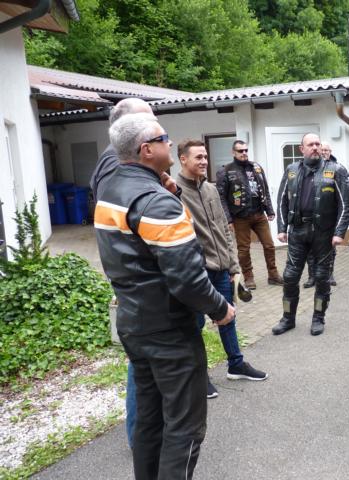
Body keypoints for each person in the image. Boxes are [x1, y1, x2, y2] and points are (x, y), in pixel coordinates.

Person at [94, 113, 235, 479]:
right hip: (169, 332)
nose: (169, 143)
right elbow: (188, 280)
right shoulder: (157, 203)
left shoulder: (110, 192)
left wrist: (169, 191)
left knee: (150, 419)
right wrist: (220, 308)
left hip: (134, 324)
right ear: (146, 150)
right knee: (185, 427)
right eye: (163, 138)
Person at [89, 98, 178, 451]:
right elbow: (126, 222)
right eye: (149, 121)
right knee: (142, 369)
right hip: (142, 285)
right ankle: (143, 441)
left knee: (145, 367)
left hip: (140, 282)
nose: (157, 129)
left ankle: (148, 438)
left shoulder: (123, 164)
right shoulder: (116, 163)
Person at [176, 139, 268, 397]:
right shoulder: (174, 192)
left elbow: (226, 231)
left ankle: (236, 365)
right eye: (198, 157)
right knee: (195, 325)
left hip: (221, 269)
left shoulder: (211, 189)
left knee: (228, 317)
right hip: (198, 272)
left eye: (205, 156)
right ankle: (199, 376)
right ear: (183, 159)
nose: (204, 161)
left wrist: (234, 266)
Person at [271, 133, 349, 336]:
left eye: (317, 144)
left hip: (324, 233)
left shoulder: (336, 170)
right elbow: (282, 200)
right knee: (290, 276)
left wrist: (339, 232)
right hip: (297, 232)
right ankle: (288, 318)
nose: (315, 147)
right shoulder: (291, 170)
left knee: (322, 277)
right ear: (302, 149)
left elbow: (345, 205)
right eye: (311, 144)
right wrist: (281, 228)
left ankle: (318, 318)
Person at [216, 140, 283, 290]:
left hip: (259, 214)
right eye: (240, 151)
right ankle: (249, 277)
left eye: (246, 150)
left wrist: (270, 210)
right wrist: (228, 219)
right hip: (240, 217)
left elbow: (264, 189)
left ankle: (273, 275)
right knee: (244, 249)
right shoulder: (225, 170)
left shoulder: (256, 167)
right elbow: (221, 197)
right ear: (233, 153)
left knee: (269, 245)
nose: (244, 153)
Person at [303, 141, 339, 289]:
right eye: (322, 150)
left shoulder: (337, 168)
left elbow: (346, 191)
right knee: (310, 249)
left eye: (326, 150)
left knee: (330, 248)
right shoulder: (310, 167)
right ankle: (312, 276)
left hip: (329, 216)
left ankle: (329, 275)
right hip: (311, 215)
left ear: (330, 152)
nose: (323, 152)